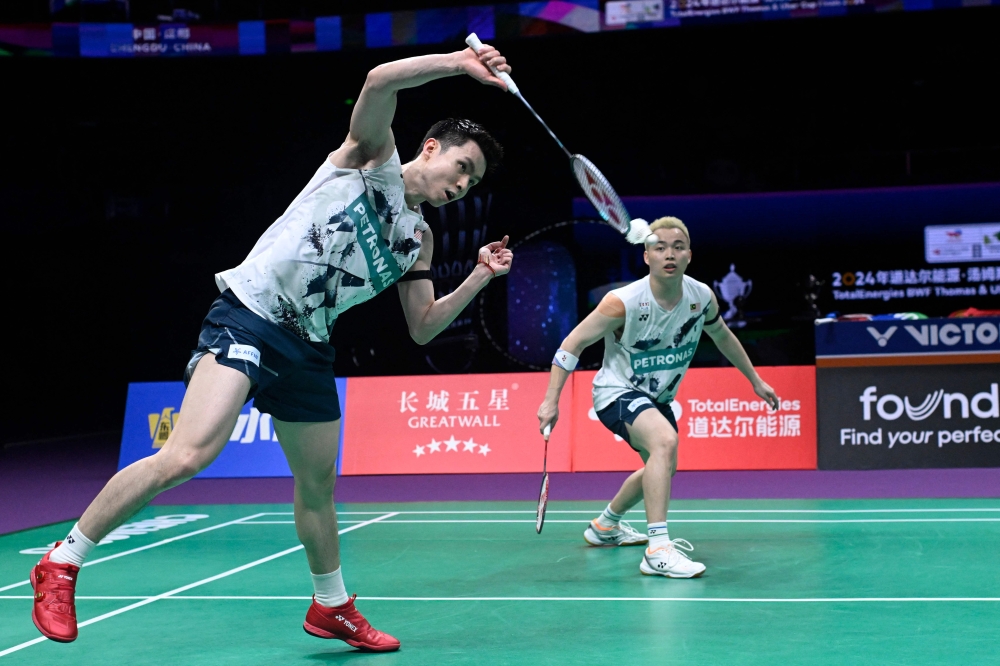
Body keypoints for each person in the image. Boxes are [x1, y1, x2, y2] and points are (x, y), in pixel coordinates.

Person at [30, 43, 516, 652]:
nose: (462, 186)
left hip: (309, 347)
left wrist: (477, 277)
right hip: (251, 316)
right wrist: (456, 64)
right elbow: (377, 79)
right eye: (461, 167)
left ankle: (331, 606)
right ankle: (63, 561)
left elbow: (422, 326)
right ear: (431, 148)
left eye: (473, 181)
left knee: (317, 487)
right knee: (188, 455)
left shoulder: (415, 239)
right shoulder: (370, 158)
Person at [536, 216, 778, 578]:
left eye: (677, 247)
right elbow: (572, 344)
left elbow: (723, 336)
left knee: (662, 466)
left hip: (658, 398)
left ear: (689, 256)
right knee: (665, 441)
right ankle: (658, 549)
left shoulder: (701, 297)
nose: (669, 254)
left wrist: (754, 380)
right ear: (646, 256)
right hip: (616, 393)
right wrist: (551, 400)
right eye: (660, 247)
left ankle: (605, 526)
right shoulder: (623, 302)